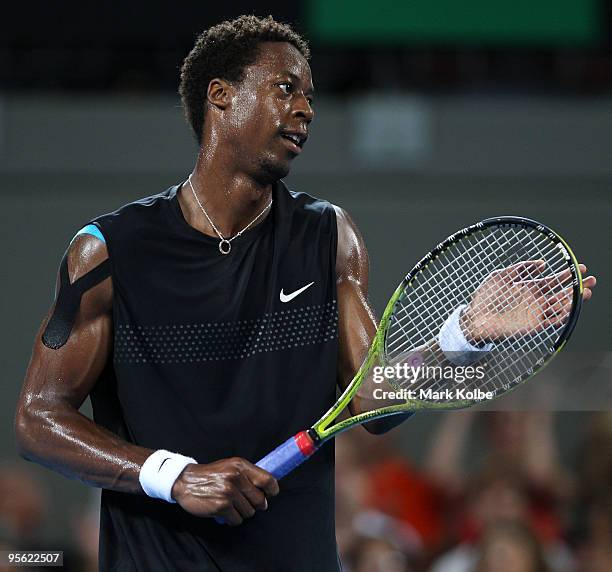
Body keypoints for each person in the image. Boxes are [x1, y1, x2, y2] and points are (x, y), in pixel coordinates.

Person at [14, 14, 597, 572]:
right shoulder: (110, 251)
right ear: (221, 96)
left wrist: (463, 337)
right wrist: (172, 475)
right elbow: (39, 419)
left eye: (310, 96)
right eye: (286, 88)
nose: (306, 110)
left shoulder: (328, 237)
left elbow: (372, 402)